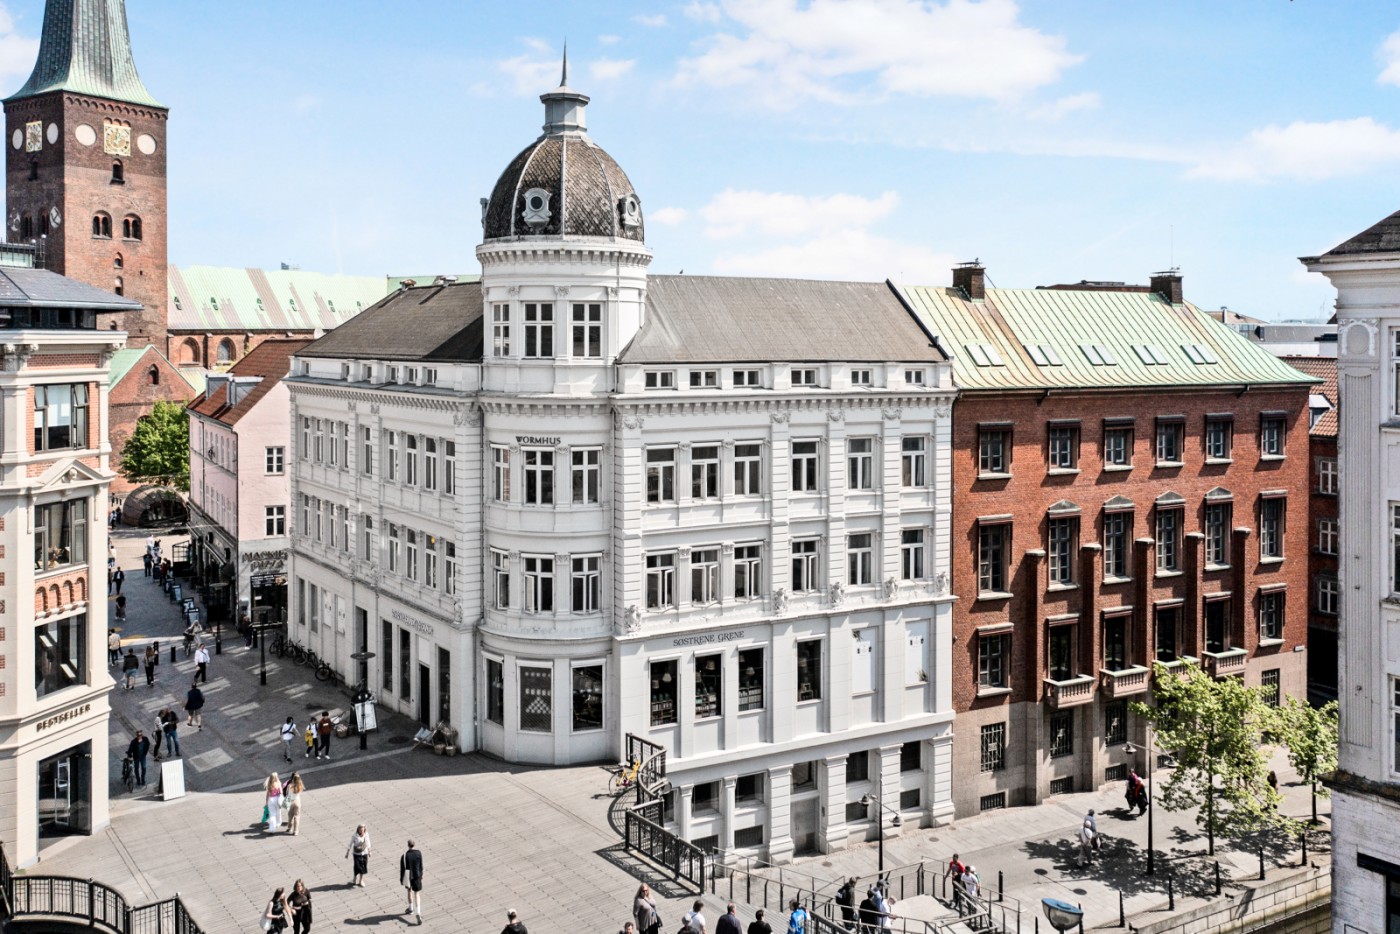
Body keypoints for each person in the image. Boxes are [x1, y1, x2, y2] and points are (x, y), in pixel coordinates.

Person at [400, 839, 424, 923]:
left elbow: (402, 869)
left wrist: (401, 879)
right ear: (414, 844)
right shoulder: (418, 853)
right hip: (417, 875)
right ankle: (418, 912)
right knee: (417, 893)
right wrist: (421, 874)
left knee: (409, 891)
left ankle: (411, 908)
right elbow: (421, 865)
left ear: (408, 845)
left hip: (408, 875)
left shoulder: (404, 855)